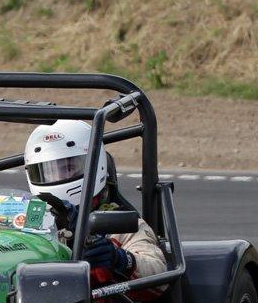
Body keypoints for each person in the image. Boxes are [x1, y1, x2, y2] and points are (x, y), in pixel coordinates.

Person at [24, 120, 167, 291]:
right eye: (48, 171)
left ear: (96, 165)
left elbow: (159, 275)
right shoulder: (27, 222)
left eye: (69, 167)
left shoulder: (121, 225)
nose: (58, 176)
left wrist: (120, 259)